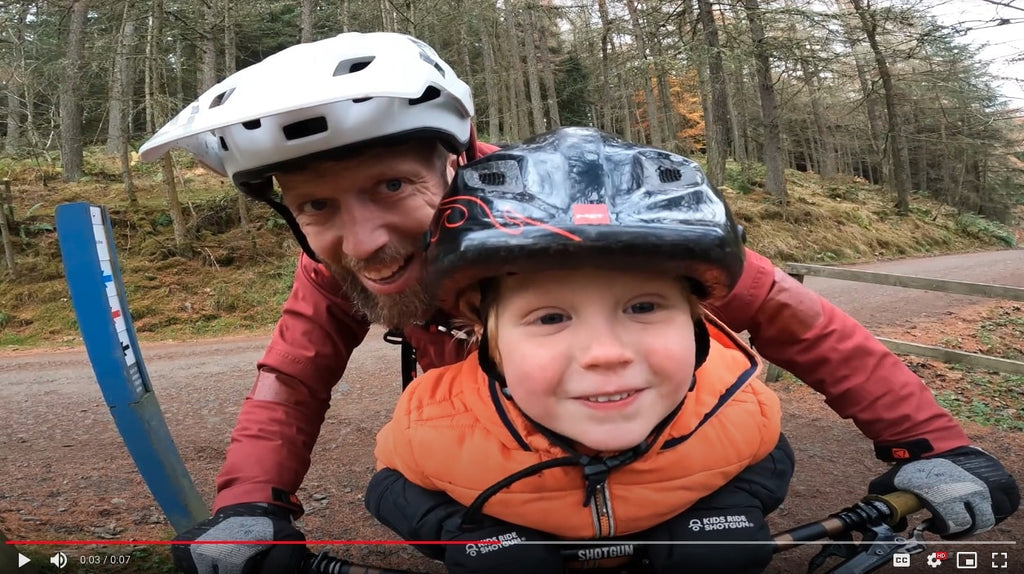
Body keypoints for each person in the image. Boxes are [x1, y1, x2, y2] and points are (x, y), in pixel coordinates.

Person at [136, 32, 1018, 574]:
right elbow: (292, 381)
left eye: (391, 186)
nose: (362, 240)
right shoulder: (336, 267)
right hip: (499, 454)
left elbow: (795, 318)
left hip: (666, 439)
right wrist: (253, 503)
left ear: (455, 161)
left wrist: (933, 447)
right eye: (316, 207)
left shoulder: (583, 208)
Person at [368, 126, 793, 574]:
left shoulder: (730, 400)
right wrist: (466, 531)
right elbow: (390, 487)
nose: (605, 353)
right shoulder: (439, 421)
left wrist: (723, 510)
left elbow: (768, 454)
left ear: (696, 321)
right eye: (551, 318)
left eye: (644, 306)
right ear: (486, 336)